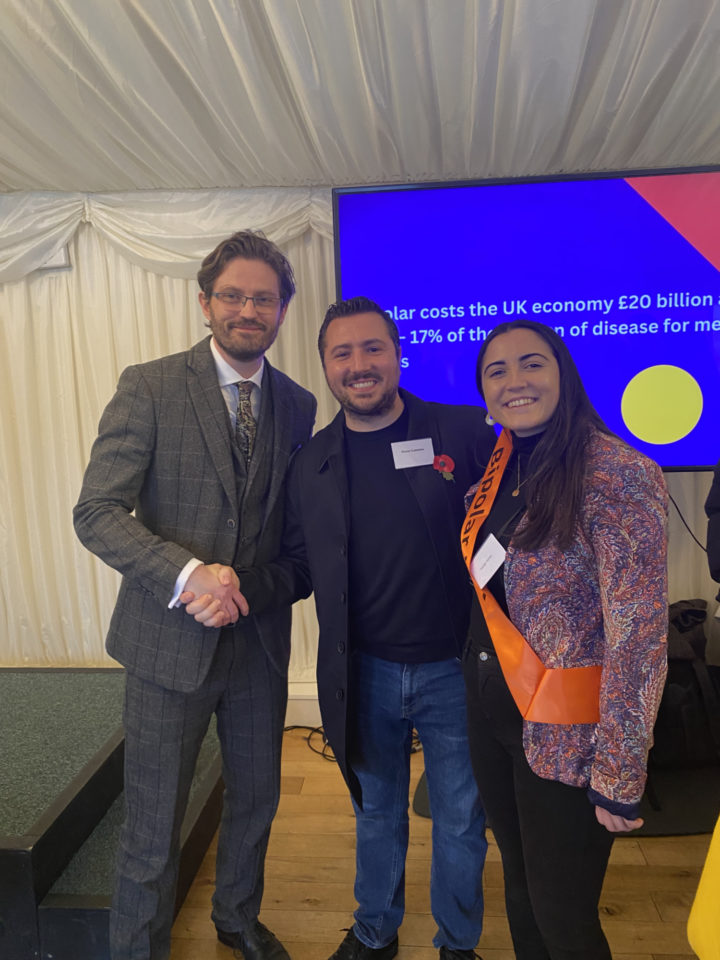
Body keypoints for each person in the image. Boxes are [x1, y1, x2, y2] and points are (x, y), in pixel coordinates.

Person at [188, 296, 494, 960]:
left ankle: (457, 944)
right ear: (326, 366)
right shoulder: (314, 464)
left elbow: (512, 530)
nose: (359, 365)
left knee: (462, 820)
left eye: (372, 348)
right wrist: (239, 585)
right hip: (365, 675)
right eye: (342, 353)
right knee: (376, 811)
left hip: (456, 670)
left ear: (397, 352)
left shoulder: (464, 432)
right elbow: (297, 568)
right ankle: (375, 931)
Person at [73, 231, 316, 960]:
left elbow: (290, 543)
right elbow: (96, 513)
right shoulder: (148, 386)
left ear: (282, 310)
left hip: (258, 647)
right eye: (234, 295)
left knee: (257, 803)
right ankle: (136, 949)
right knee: (151, 821)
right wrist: (188, 577)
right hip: (165, 646)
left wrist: (244, 589)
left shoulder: (299, 406)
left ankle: (236, 920)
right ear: (206, 302)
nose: (249, 309)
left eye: (263, 298)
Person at [461, 320, 668, 960]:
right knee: (520, 895)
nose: (514, 381)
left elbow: (640, 632)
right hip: (496, 725)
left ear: (563, 372)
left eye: (532, 364)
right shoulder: (500, 468)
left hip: (568, 734)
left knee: (564, 918)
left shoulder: (617, 472)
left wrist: (620, 768)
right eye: (496, 370)